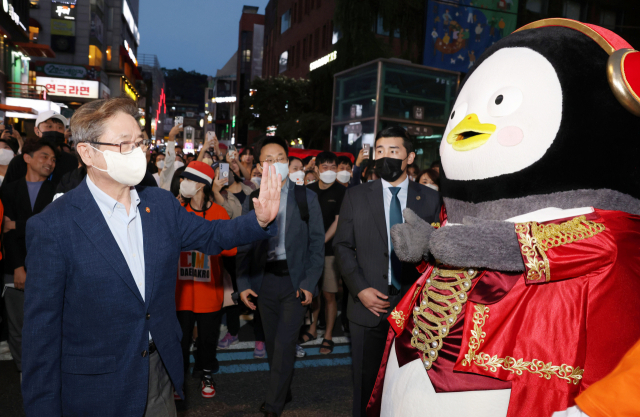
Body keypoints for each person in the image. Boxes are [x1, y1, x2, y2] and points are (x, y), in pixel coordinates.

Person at [21, 97, 282, 417]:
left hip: (159, 371)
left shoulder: (159, 205)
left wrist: (260, 220)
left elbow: (212, 236)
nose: (136, 152)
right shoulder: (53, 226)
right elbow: (40, 340)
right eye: (123, 144)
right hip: (96, 387)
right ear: (87, 152)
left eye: (139, 142)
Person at [333, 126, 441, 417]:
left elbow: (436, 254)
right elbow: (342, 246)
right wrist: (360, 289)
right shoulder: (355, 196)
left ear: (409, 157)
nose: (385, 157)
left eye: (393, 151)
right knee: (365, 384)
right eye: (379, 151)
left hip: (415, 311)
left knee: (409, 385)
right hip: (367, 307)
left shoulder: (430, 200)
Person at [237, 136, 324, 417]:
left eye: (279, 158)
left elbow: (316, 247)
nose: (274, 164)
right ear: (261, 166)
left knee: (286, 344)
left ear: (289, 162)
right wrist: (242, 285)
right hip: (265, 281)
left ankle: (273, 406)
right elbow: (245, 247)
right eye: (268, 160)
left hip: (294, 282)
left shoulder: (306, 197)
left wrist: (310, 284)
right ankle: (282, 389)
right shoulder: (254, 199)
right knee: (274, 345)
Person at [175, 161, 236, 398]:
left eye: (187, 179)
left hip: (209, 290)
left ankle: (206, 372)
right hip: (181, 292)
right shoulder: (177, 210)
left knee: (208, 338)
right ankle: (176, 380)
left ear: (201, 185)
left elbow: (231, 250)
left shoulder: (219, 213)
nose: (182, 183)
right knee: (179, 339)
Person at [1, 139, 58, 381]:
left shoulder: (58, 193)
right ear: (27, 158)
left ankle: (48, 371)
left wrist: (20, 225)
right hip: (15, 267)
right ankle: (25, 372)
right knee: (18, 325)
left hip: (50, 268)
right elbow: (6, 233)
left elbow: (53, 229)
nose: (50, 163)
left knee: (49, 324)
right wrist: (17, 267)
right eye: (44, 156)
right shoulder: (8, 190)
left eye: (53, 159)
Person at [301, 151, 345, 356]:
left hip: (328, 250)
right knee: (312, 291)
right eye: (325, 167)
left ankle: (327, 335)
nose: (329, 170)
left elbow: (337, 222)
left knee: (329, 294)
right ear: (317, 169)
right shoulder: (308, 190)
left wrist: (319, 243)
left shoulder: (341, 191)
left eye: (333, 167)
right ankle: (311, 329)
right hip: (308, 250)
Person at [2, 111, 76, 188]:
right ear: (37, 131)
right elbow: (7, 192)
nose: (55, 130)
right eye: (49, 126)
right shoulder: (21, 161)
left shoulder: (72, 161)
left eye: (60, 127)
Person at [154, 124, 182, 190]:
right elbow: (169, 159)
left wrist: (171, 137)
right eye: (159, 159)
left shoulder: (170, 172)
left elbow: (169, 160)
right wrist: (171, 136)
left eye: (163, 159)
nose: (161, 161)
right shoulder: (155, 176)